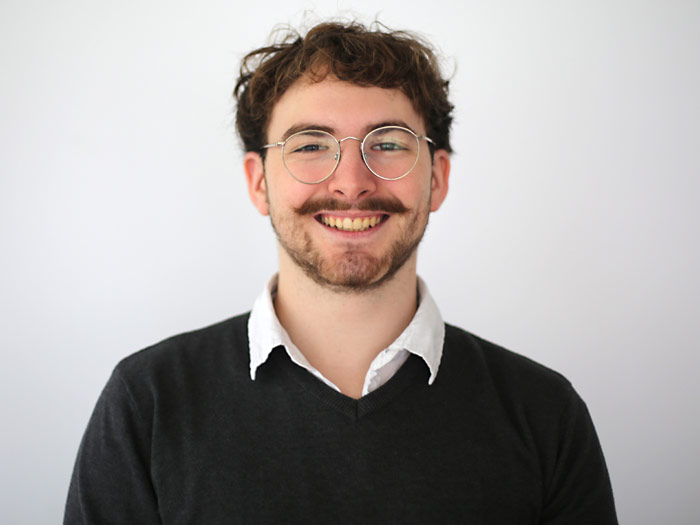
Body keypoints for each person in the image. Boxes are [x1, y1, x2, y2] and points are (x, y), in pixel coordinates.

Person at [64, 21, 618, 524]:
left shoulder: (545, 414)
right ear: (259, 182)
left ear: (437, 178)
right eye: (310, 145)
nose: (351, 182)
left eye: (389, 144)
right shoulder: (147, 404)